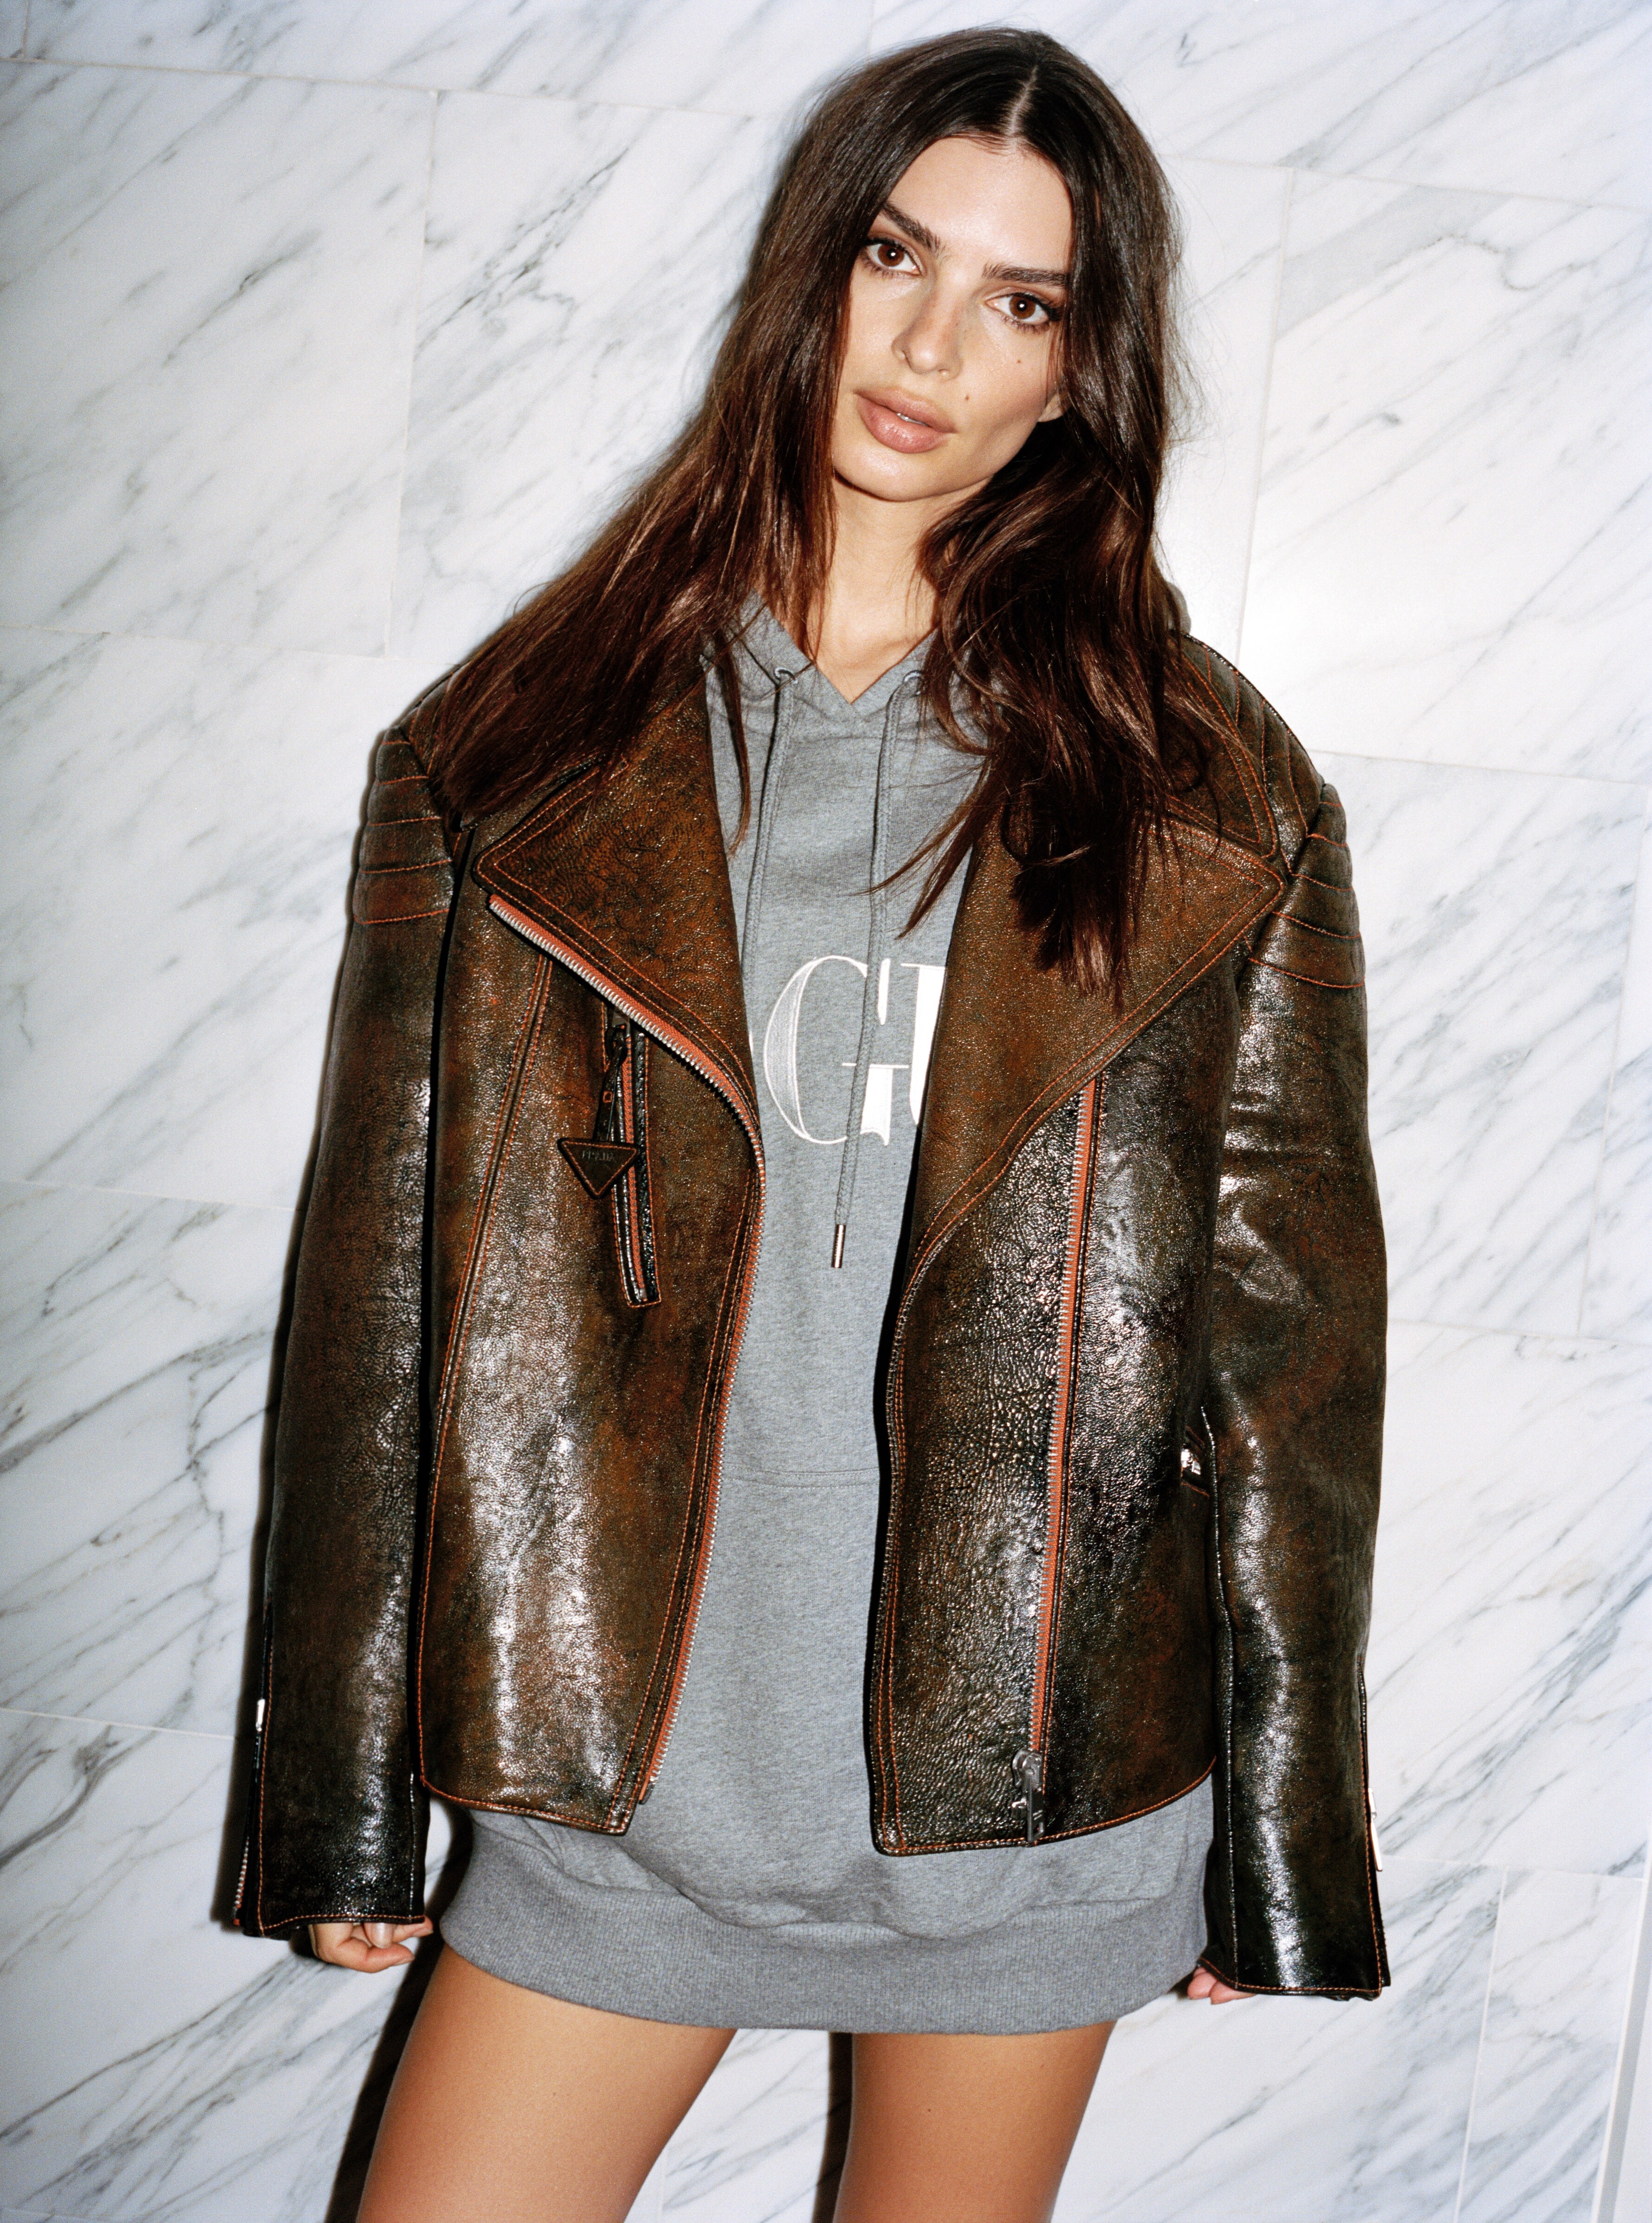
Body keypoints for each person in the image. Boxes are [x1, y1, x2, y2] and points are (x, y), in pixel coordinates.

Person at [235, 27, 1388, 2223]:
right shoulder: (516, 754)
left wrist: (1284, 1836)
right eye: (892, 257)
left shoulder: (1209, 795)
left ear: (1080, 368)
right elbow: (378, 1300)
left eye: (1019, 301)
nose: (932, 348)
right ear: (810, 270)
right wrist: (338, 1799)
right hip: (620, 1785)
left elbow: (1286, 1356)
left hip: (1027, 1796)